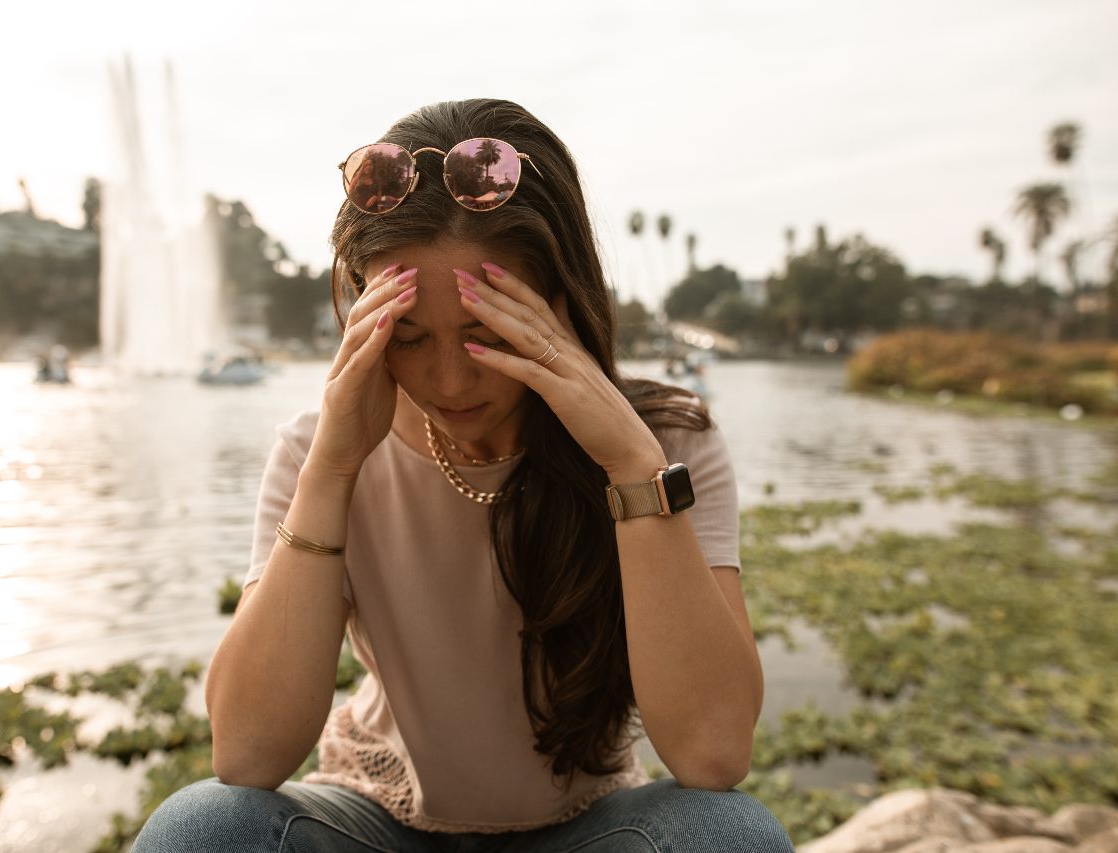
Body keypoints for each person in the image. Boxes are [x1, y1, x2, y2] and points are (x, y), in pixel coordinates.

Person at [134, 98, 794, 852]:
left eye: (486, 333)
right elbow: (247, 755)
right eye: (408, 336)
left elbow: (713, 753)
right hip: (379, 823)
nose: (449, 381)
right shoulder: (318, 451)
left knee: (728, 836)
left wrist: (632, 466)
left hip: (586, 830)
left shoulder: (666, 443)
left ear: (560, 301)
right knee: (205, 828)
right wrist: (334, 468)